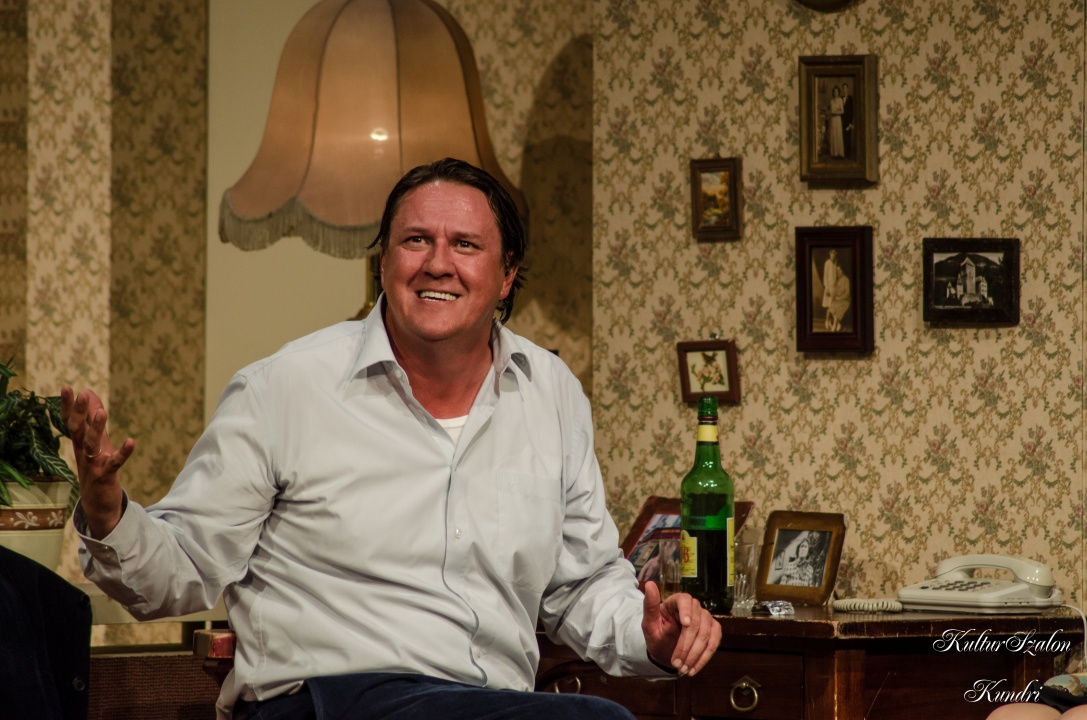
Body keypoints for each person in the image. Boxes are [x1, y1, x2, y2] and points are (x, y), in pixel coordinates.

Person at [63, 158, 721, 720]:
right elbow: (180, 571)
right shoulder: (284, 388)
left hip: (486, 703)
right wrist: (108, 513)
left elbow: (580, 586)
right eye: (415, 241)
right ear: (384, 263)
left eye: (465, 245)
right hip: (322, 699)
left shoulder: (551, 394)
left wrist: (650, 637)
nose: (438, 264)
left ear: (506, 275)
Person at [828, 85, 845, 159]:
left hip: (838, 119)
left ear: (838, 92)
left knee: (838, 135)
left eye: (837, 91)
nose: (836, 93)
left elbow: (842, 111)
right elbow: (830, 111)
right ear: (833, 92)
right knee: (833, 135)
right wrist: (834, 112)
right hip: (833, 119)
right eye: (834, 91)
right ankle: (833, 153)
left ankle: (839, 153)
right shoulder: (831, 101)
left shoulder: (840, 100)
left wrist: (836, 112)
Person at [841, 81, 854, 158]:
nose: (844, 89)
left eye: (845, 88)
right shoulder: (840, 98)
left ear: (847, 89)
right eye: (843, 88)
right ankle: (843, 154)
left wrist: (850, 123)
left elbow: (852, 111)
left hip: (848, 121)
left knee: (848, 137)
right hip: (841, 121)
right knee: (842, 137)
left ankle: (848, 154)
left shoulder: (851, 98)